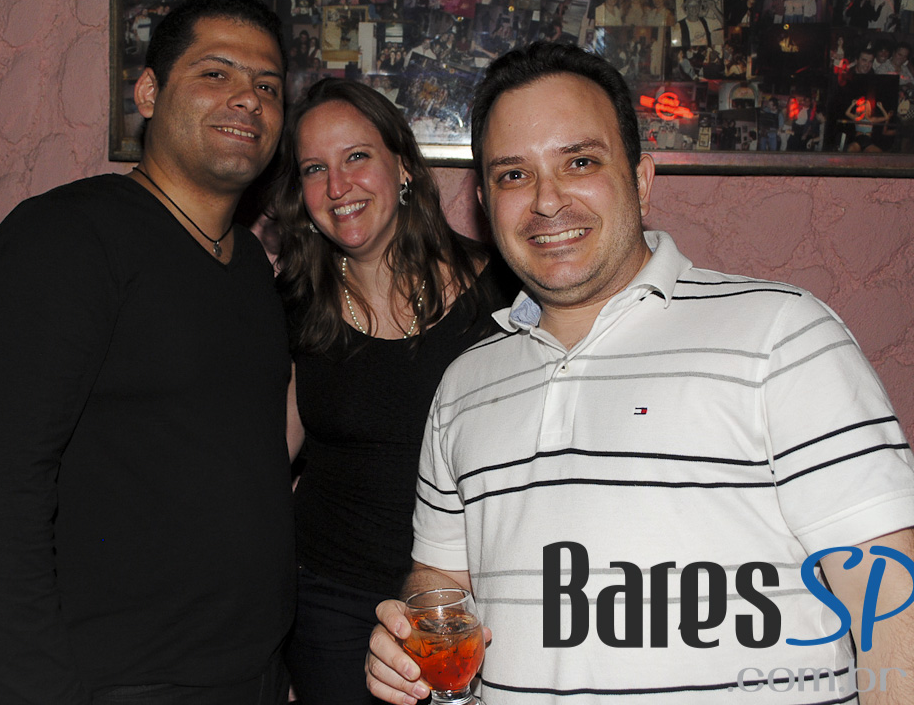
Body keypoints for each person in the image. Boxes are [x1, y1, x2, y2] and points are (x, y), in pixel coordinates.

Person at [366, 42, 914, 704]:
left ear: (642, 179)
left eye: (580, 162)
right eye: (513, 175)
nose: (547, 201)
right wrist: (411, 636)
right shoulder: (462, 385)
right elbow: (441, 579)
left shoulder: (782, 335)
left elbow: (893, 602)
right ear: (485, 201)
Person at [0, 0, 295, 705]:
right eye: (216, 73)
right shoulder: (69, 238)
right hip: (120, 681)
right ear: (148, 94)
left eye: (267, 86)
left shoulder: (250, 269)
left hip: (251, 672)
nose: (248, 99)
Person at [272, 79, 516, 705]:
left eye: (357, 156)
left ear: (403, 165)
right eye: (314, 169)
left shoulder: (504, 293)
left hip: (468, 601)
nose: (337, 186)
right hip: (330, 601)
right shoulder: (294, 302)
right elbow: (267, 457)